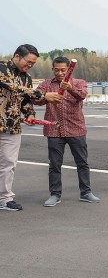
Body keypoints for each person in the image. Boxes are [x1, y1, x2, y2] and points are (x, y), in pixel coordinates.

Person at [0, 44, 62, 211]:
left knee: (8, 163)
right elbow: (13, 88)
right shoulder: (1, 69)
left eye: (33, 63)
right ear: (17, 56)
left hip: (11, 126)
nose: (30, 65)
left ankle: (4, 199)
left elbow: (25, 99)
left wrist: (29, 114)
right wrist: (43, 96)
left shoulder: (26, 77)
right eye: (28, 62)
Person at [34, 56, 100, 207]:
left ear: (69, 69)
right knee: (54, 165)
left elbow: (82, 95)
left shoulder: (79, 83)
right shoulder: (46, 84)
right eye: (56, 70)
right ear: (52, 70)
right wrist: (46, 97)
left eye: (63, 70)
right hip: (54, 130)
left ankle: (86, 192)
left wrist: (70, 88)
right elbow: (35, 99)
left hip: (76, 129)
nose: (59, 73)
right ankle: (55, 194)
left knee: (82, 162)